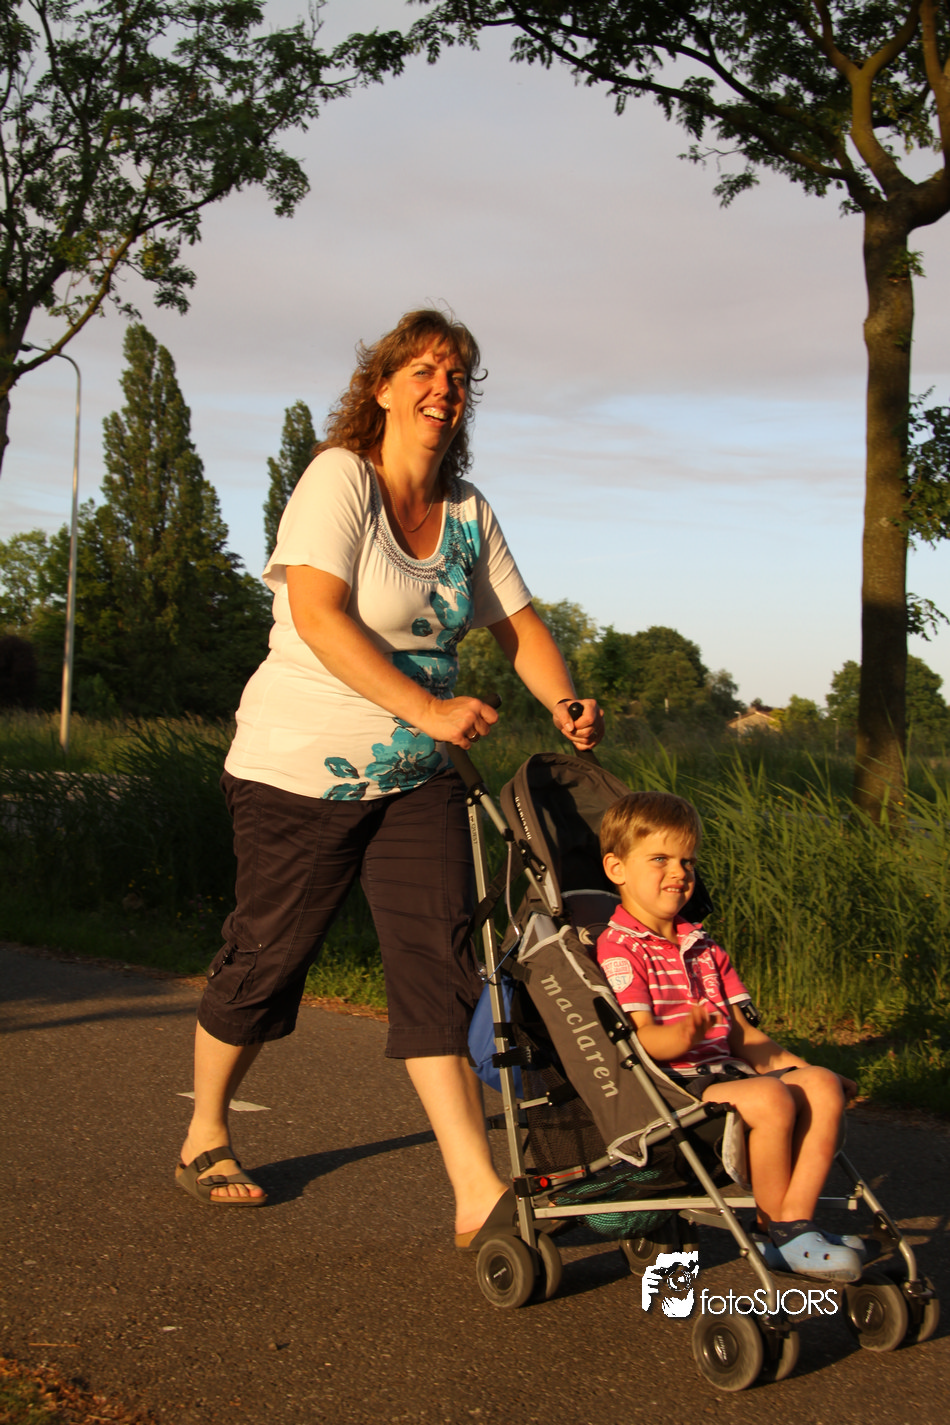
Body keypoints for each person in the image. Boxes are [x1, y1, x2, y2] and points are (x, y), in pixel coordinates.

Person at [176, 308, 603, 1250]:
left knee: (439, 965)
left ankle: (474, 1190)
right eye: (424, 370)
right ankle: (206, 1128)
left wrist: (566, 699)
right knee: (269, 954)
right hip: (298, 769)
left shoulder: (468, 512)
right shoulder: (340, 479)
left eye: (458, 376)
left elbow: (519, 626)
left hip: (419, 778)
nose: (443, 389)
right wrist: (429, 706)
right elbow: (319, 615)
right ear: (382, 386)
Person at [595, 790, 864, 1282]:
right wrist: (684, 1033)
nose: (679, 873)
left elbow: (741, 1034)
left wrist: (808, 1069)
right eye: (660, 859)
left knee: (822, 1086)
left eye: (687, 861)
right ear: (617, 869)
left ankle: (791, 1225)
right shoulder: (620, 949)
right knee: (771, 1097)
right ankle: (779, 1230)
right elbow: (644, 1040)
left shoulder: (704, 947)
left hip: (731, 1073)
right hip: (678, 1087)